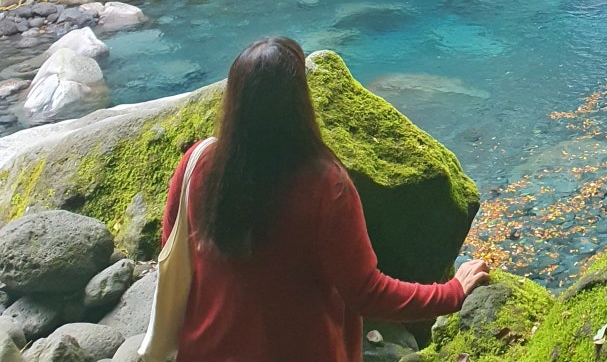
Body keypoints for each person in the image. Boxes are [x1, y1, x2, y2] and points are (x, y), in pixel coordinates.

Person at [158, 36, 489, 362]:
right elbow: (367, 293)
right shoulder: (325, 186)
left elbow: (172, 251)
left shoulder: (197, 162)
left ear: (233, 100)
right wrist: (452, 292)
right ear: (299, 103)